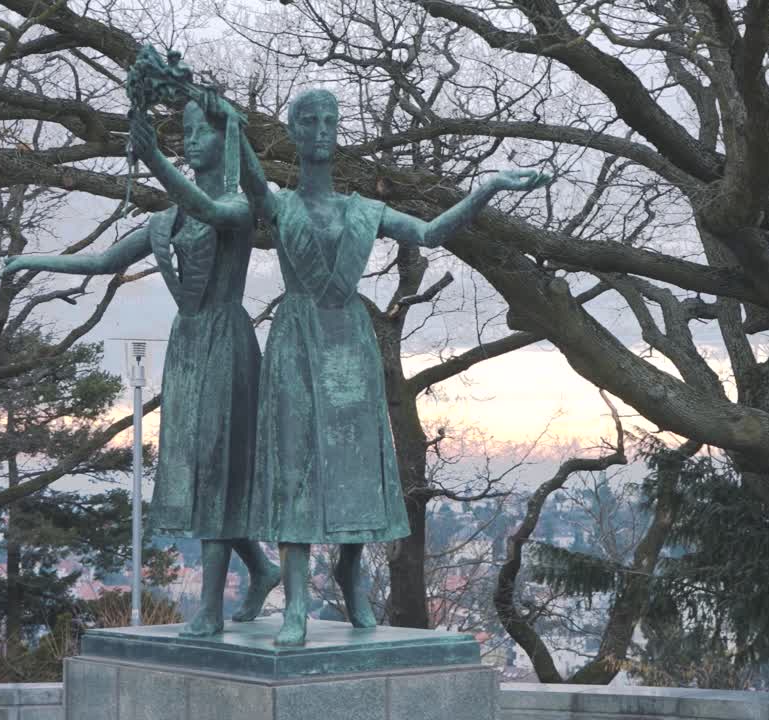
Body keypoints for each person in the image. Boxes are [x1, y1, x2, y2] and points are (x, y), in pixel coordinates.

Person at [208, 87, 548, 646]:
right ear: (292, 131)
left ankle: (351, 571)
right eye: (309, 120)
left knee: (354, 463)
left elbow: (431, 233)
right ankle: (294, 604)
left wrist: (486, 188)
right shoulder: (280, 203)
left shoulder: (364, 211)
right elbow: (248, 183)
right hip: (296, 342)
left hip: (349, 345)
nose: (321, 129)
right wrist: (232, 129)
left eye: (330, 119)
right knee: (296, 465)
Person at [0, 92, 279, 638]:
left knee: (216, 468)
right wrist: (27, 260)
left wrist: (157, 162)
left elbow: (209, 210)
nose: (189, 140)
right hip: (187, 345)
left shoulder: (238, 205)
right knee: (195, 468)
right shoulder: (166, 221)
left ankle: (211, 608)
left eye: (201, 131)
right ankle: (260, 568)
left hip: (227, 342)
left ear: (226, 141)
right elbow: (101, 260)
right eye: (182, 131)